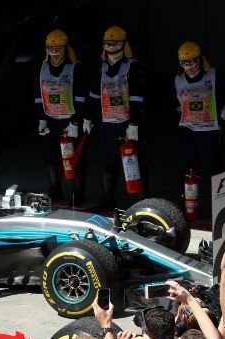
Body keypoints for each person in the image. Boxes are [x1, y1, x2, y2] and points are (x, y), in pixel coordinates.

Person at [173, 41, 225, 217]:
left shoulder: (213, 75)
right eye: (184, 63)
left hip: (209, 130)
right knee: (186, 168)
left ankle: (222, 208)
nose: (189, 67)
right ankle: (187, 205)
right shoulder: (178, 79)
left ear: (200, 60)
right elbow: (175, 102)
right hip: (187, 130)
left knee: (214, 168)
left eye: (192, 62)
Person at [86, 26, 144, 210]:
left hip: (128, 124)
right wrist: (87, 118)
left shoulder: (133, 67)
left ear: (124, 45)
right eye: (107, 44)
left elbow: (137, 97)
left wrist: (134, 123)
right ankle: (107, 199)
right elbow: (94, 96)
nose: (111, 47)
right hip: (108, 124)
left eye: (115, 43)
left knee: (135, 163)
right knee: (108, 163)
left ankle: (142, 202)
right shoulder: (101, 68)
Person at [35, 29, 89, 204]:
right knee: (51, 156)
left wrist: (76, 121)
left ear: (66, 49)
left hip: (70, 121)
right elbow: (38, 96)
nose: (55, 52)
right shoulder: (42, 67)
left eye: (59, 48)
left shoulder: (76, 68)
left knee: (75, 158)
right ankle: (54, 189)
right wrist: (41, 119)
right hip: (51, 119)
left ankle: (78, 191)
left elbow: (81, 97)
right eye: (51, 48)